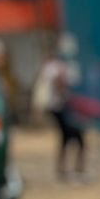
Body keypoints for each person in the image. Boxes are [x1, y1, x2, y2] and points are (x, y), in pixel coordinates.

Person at [33, 44, 87, 179]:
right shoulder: (55, 67)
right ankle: (71, 168)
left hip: (61, 107)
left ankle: (69, 168)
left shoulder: (54, 67)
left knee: (70, 138)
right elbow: (57, 84)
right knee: (72, 137)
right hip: (60, 107)